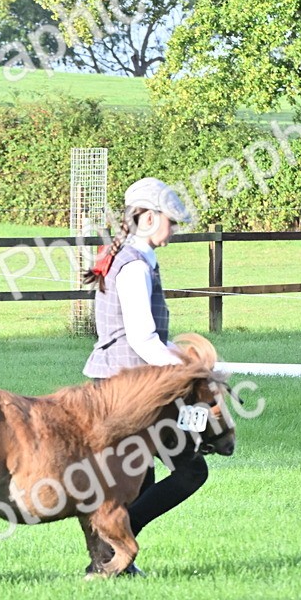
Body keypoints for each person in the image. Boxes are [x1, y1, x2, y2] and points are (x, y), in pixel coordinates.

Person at [80, 177, 209, 576]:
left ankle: (111, 558)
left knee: (138, 479)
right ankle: (112, 542)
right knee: (190, 470)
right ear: (150, 218)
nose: (174, 230)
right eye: (171, 221)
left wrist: (185, 359)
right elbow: (143, 338)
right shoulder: (134, 266)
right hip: (128, 392)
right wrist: (186, 368)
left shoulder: (128, 257)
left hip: (118, 385)